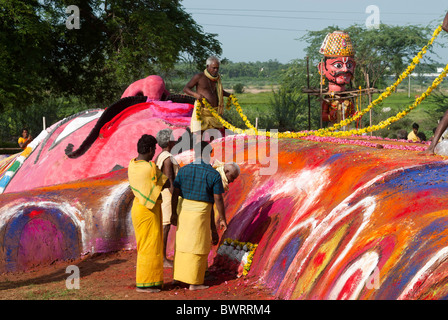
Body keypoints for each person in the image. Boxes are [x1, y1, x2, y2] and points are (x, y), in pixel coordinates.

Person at [170, 141, 227, 290]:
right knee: (198, 246)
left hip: (184, 211)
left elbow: (175, 193)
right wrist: (222, 218)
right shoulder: (213, 174)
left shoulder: (183, 171)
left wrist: (173, 213)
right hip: (201, 213)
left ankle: (178, 278)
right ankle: (194, 283)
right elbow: (218, 198)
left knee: (182, 245)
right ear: (209, 155)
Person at [127, 134, 168, 293]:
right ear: (151, 149)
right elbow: (165, 183)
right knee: (150, 246)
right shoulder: (149, 168)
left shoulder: (132, 165)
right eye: (154, 150)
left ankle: (153, 280)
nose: (154, 153)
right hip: (148, 210)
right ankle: (146, 283)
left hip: (139, 208)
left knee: (148, 245)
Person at [183, 56, 231, 140]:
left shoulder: (217, 79)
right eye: (214, 68)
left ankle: (213, 152)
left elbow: (219, 92)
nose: (216, 70)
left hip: (214, 112)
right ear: (207, 67)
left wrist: (230, 95)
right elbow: (186, 88)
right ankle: (198, 152)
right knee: (198, 136)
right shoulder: (199, 77)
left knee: (215, 137)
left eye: (217, 68)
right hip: (201, 111)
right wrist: (195, 95)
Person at [155, 128, 180, 268]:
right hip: (168, 196)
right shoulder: (168, 158)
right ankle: (163, 258)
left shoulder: (161, 155)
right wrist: (175, 199)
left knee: (164, 226)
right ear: (169, 141)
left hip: (163, 195)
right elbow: (170, 180)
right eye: (174, 138)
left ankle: (161, 256)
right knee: (166, 226)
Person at [210, 160, 240, 244]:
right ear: (226, 172)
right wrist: (222, 219)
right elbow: (218, 198)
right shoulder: (216, 177)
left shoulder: (214, 174)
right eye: (232, 177)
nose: (232, 181)